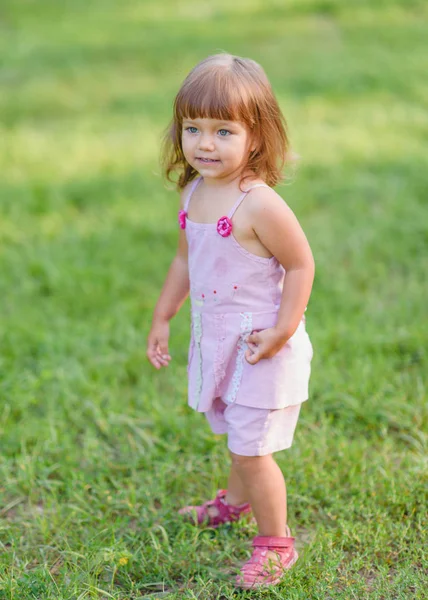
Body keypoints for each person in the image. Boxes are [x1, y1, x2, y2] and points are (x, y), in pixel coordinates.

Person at [147, 53, 315, 589]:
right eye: (193, 128)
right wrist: (162, 315)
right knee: (236, 436)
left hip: (261, 345)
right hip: (219, 341)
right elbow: (184, 261)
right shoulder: (193, 192)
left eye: (223, 131)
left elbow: (300, 264)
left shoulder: (259, 204)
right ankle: (234, 504)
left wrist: (284, 329)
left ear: (257, 136)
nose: (205, 144)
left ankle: (276, 543)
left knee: (250, 446)